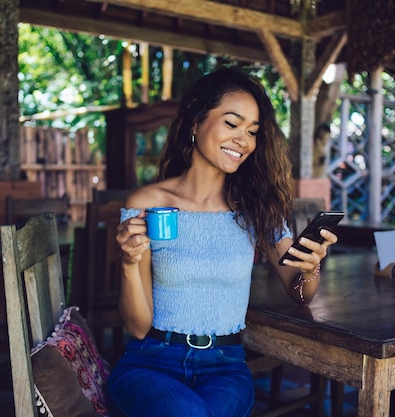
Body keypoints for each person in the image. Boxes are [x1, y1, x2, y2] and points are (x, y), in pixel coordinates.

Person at [106, 68, 338, 417]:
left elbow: (300, 292)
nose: (243, 140)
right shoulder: (148, 202)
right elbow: (137, 327)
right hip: (151, 362)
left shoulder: (258, 208)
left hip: (225, 367)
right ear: (197, 122)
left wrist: (311, 266)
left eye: (252, 132)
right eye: (232, 124)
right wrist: (128, 262)